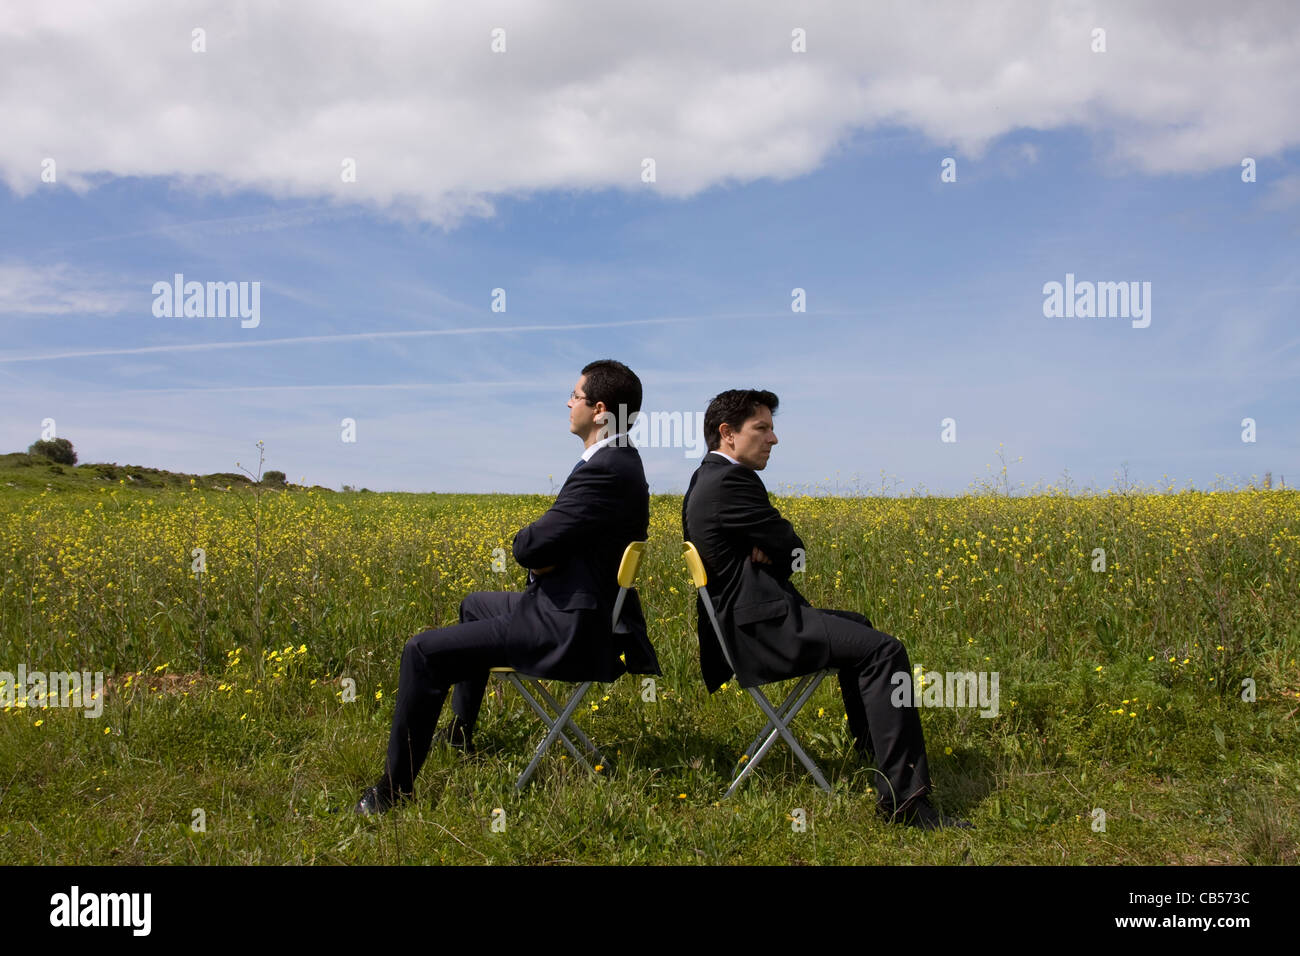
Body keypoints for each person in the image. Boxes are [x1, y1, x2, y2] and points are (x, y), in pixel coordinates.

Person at [356, 359, 660, 814]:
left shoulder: (607, 470)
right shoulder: (618, 462)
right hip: (574, 605)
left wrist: (538, 556)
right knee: (475, 604)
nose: (567, 402)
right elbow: (556, 544)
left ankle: (392, 793)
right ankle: (460, 732)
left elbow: (529, 546)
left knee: (422, 652)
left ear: (600, 410)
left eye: (574, 396)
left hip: (568, 626)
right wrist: (547, 559)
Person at [681, 388, 971, 830]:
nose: (773, 439)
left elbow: (781, 549)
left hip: (747, 623)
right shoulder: (731, 481)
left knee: (860, 627)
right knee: (885, 651)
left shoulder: (705, 478)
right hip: (761, 631)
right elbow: (793, 548)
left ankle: (875, 760)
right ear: (728, 433)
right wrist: (775, 547)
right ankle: (906, 803)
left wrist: (773, 549)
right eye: (762, 428)